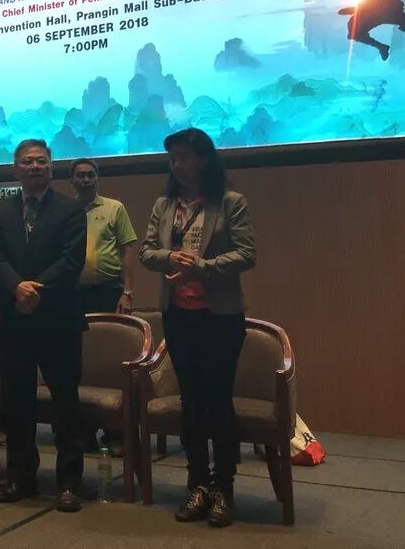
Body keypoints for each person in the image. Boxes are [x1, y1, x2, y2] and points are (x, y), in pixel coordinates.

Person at [139, 128, 256, 529]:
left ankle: (224, 487)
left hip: (220, 317)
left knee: (217, 402)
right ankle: (198, 485)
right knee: (190, 402)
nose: (177, 164)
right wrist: (170, 258)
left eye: (184, 157)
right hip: (179, 316)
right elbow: (147, 252)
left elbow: (247, 254)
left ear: (203, 159)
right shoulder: (165, 204)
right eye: (172, 158)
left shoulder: (230, 202)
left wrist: (201, 268)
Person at [0, 140, 87, 513]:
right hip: (13, 317)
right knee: (17, 402)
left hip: (58, 317)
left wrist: (35, 288)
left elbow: (72, 259)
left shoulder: (71, 209)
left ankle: (69, 483)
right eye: (27, 162)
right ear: (16, 169)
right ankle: (21, 477)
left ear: (51, 167)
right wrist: (17, 287)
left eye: (41, 161)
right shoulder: (1, 211)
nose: (35, 167)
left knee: (65, 402)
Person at [69, 157, 138, 455]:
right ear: (72, 180)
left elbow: (127, 250)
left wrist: (128, 292)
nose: (85, 180)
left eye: (90, 175)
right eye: (80, 176)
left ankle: (115, 433)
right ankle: (83, 431)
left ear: (98, 179)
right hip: (74, 295)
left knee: (110, 360)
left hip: (109, 292)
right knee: (79, 360)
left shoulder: (114, 208)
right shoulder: (67, 210)